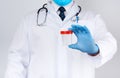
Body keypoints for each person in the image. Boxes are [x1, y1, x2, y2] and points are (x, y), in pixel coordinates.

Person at [5, 0, 117, 78]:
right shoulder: (30, 20)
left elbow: (110, 43)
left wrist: (94, 49)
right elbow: (17, 60)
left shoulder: (91, 19)